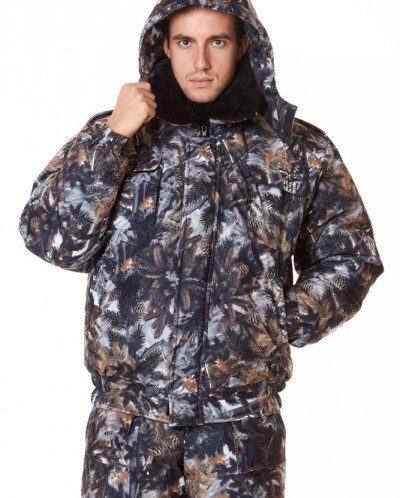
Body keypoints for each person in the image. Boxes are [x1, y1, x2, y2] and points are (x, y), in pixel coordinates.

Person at [19, 0, 383, 496]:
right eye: (186, 42)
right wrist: (112, 137)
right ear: (165, 46)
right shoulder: (120, 133)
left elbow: (351, 254)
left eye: (218, 41)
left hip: (240, 431)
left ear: (245, 45)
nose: (202, 61)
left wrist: (279, 318)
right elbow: (54, 241)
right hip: (127, 431)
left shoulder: (297, 149)